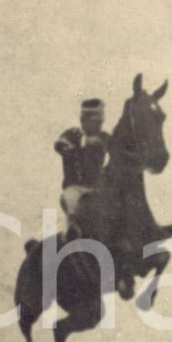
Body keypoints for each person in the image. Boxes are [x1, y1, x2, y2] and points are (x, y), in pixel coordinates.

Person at [54, 99, 111, 240]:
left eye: (101, 122)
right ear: (84, 121)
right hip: (75, 188)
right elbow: (59, 144)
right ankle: (72, 232)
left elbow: (119, 148)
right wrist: (76, 144)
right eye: (96, 122)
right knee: (72, 204)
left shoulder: (104, 137)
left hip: (97, 188)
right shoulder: (73, 134)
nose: (99, 125)